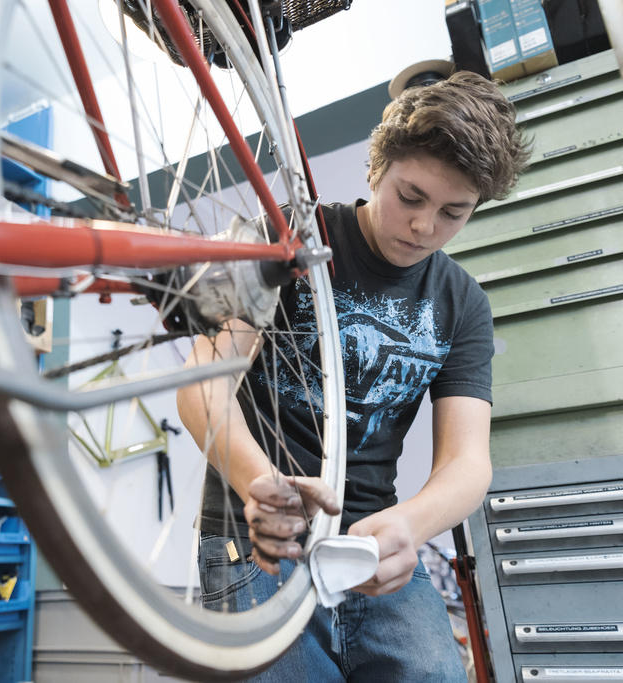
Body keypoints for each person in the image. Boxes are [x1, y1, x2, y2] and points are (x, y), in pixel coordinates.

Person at [176, 71, 530, 680]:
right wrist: (263, 486)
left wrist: (409, 526)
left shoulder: (462, 301)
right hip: (255, 533)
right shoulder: (289, 238)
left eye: (453, 212)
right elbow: (202, 389)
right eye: (411, 197)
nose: (425, 227)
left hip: (373, 542)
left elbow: (468, 464)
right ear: (376, 168)